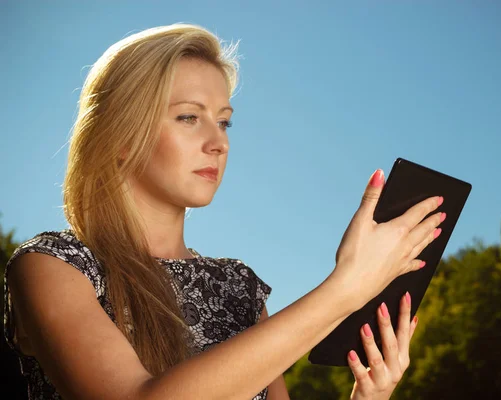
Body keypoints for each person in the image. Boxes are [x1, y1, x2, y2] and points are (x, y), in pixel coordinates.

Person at [3, 23, 445, 400]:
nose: (220, 141)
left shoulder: (241, 289)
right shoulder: (51, 267)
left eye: (224, 120)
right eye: (189, 117)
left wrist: (370, 396)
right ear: (121, 135)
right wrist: (347, 288)